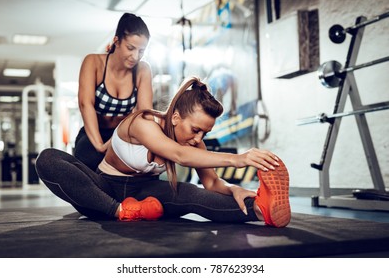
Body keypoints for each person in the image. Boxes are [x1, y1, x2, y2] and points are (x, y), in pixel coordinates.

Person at [36, 77, 291, 227]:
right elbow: (178, 156)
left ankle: (261, 209)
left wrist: (235, 189)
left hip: (147, 194)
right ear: (176, 117)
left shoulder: (193, 142)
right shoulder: (143, 123)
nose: (198, 138)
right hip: (103, 191)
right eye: (195, 129)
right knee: (48, 158)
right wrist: (239, 159)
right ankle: (120, 212)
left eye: (205, 133)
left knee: (193, 194)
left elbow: (212, 182)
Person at [74, 13, 153, 171]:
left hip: (123, 135)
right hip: (94, 134)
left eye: (141, 51)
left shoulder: (143, 70)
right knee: (88, 160)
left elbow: (145, 114)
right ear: (116, 41)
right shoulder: (93, 62)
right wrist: (99, 145)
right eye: (130, 48)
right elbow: (85, 104)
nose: (135, 56)